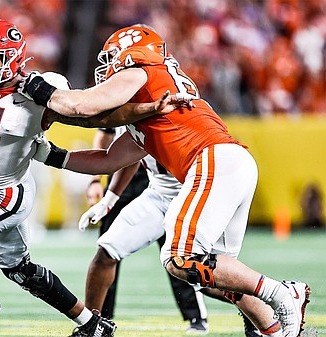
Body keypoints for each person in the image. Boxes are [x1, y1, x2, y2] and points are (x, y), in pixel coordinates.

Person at [0, 19, 188, 337]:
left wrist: (150, 108)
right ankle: (91, 324)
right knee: (19, 270)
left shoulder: (37, 92)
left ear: (14, 58)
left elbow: (97, 116)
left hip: (5, 195)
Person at [24, 25, 310, 337]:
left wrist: (40, 91)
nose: (107, 69)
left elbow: (85, 107)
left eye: (111, 59)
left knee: (179, 258)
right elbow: (109, 159)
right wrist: (50, 155)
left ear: (132, 55)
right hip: (230, 165)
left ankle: (284, 293)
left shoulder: (143, 71)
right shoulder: (154, 106)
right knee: (214, 274)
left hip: (212, 162)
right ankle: (272, 328)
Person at [83, 126, 210, 334]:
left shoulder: (154, 104)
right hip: (122, 177)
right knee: (107, 250)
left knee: (178, 255)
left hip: (160, 185)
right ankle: (98, 319)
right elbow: (106, 137)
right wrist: (96, 182)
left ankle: (197, 314)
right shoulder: (114, 100)